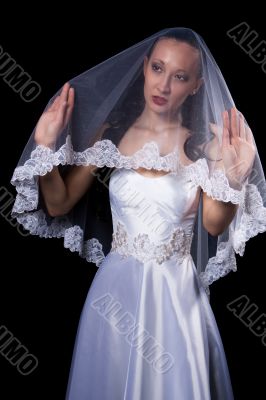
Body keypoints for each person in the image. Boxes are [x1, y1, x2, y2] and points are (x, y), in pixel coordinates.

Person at [11, 28, 266, 399]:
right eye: (158, 69)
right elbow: (58, 203)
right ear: (144, 67)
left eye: (179, 76)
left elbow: (213, 224)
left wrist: (233, 178)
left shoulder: (207, 145)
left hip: (176, 296)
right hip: (115, 293)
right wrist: (47, 149)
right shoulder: (111, 133)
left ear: (196, 85)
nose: (163, 85)